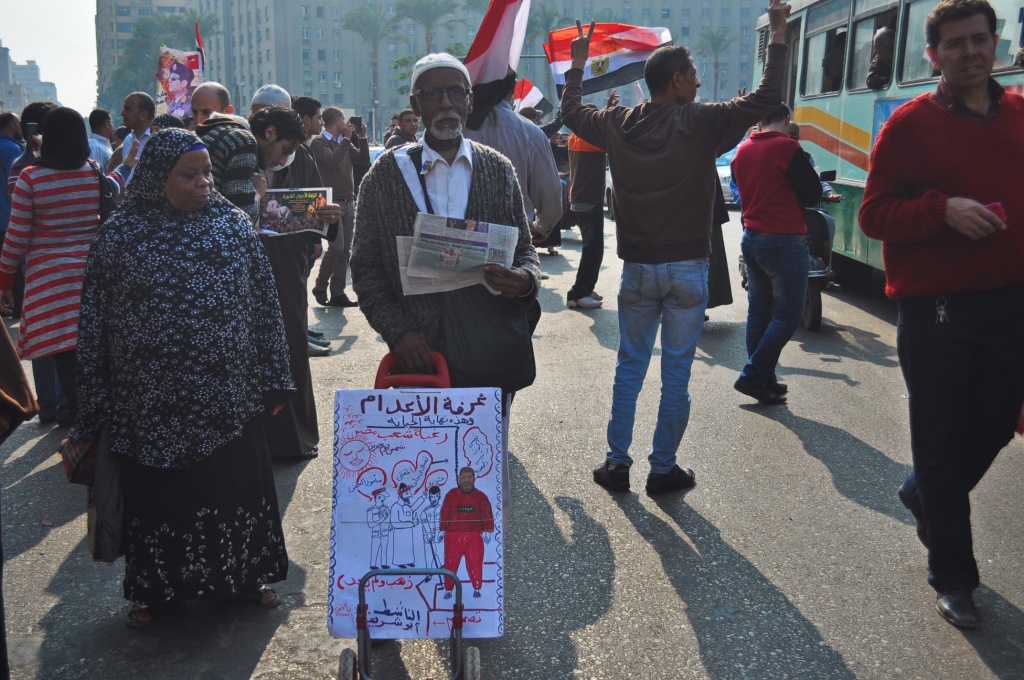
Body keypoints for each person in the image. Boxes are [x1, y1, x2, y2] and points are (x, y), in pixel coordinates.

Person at [562, 3, 792, 495]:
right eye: (693, 75)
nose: (699, 82)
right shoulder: (699, 120)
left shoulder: (617, 122)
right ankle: (663, 468)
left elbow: (571, 113)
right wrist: (777, 31)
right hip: (688, 269)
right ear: (676, 80)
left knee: (629, 368)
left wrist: (578, 64)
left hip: (637, 271)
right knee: (676, 375)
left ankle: (616, 464)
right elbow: (769, 97)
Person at [71, 128, 296, 628]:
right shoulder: (119, 236)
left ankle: (242, 581)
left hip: (229, 397)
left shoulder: (232, 225)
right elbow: (94, 324)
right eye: (189, 175)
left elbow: (264, 305)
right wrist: (93, 406)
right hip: (149, 403)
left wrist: (276, 378)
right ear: (157, 178)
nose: (203, 183)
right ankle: (159, 593)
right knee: (162, 501)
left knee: (231, 491)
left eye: (207, 173)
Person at [858, 0, 1024, 630]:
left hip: (1011, 301)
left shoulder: (1021, 116)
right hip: (937, 307)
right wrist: (941, 209)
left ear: (996, 43)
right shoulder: (907, 126)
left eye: (978, 39)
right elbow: (873, 215)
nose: (969, 52)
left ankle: (921, 494)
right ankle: (954, 577)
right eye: (954, 44)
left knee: (996, 425)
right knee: (940, 439)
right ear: (933, 56)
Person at [350, 52, 540, 423]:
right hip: (419, 357)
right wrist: (399, 331)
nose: (446, 103)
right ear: (415, 104)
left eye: (456, 92)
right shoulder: (386, 175)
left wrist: (524, 280)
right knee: (426, 455)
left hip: (488, 350)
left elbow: (524, 251)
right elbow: (365, 267)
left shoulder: (498, 169)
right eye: (433, 93)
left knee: (484, 453)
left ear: (470, 100)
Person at [0, 108, 134, 427]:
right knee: (91, 354)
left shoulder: (31, 178)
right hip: (90, 278)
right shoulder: (91, 171)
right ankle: (93, 422)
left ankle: (78, 423)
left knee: (64, 355)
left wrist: (4, 282)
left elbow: (16, 237)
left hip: (49, 283)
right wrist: (127, 166)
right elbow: (111, 196)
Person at [730, 103, 822, 405]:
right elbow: (812, 193)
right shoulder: (787, 148)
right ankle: (753, 375)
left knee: (759, 312)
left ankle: (764, 380)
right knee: (787, 315)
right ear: (786, 119)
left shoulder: (743, 150)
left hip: (752, 238)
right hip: (784, 240)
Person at [464, 70, 563, 245]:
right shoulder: (531, 132)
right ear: (513, 89)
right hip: (514, 235)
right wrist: (542, 226)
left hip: (461, 235)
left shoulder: (456, 128)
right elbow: (551, 194)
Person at [310, 106, 370, 308]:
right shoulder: (319, 142)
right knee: (336, 247)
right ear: (337, 121)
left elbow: (363, 160)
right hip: (331, 202)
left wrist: (362, 137)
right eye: (343, 120)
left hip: (348, 200)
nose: (346, 124)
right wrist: (346, 139)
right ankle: (320, 286)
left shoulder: (343, 142)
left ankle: (338, 293)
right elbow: (332, 161)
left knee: (345, 251)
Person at [565, 119, 606, 309]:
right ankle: (579, 293)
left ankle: (585, 289)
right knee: (593, 249)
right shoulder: (592, 140)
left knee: (591, 248)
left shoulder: (575, 137)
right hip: (589, 198)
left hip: (579, 197)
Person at [440, 467, 493, 599]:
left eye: (469, 477)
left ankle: (477, 588)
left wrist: (488, 530)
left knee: (475, 562)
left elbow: (487, 513)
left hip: (474, 535)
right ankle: (448, 589)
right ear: (459, 479)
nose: (466, 480)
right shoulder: (451, 495)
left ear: (474, 479)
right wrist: (442, 529)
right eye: (463, 477)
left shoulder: (481, 497)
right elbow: (445, 512)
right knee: (450, 563)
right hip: (453, 535)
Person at [120, 92, 155, 183]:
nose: (122, 113)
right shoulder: (128, 139)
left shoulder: (157, 140)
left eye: (128, 109)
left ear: (143, 115)